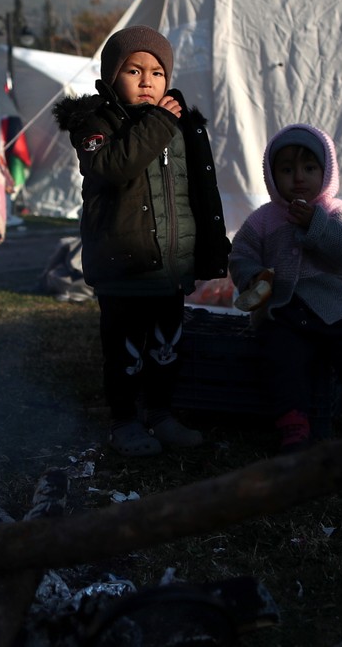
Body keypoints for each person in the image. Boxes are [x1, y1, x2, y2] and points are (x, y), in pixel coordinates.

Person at [53, 26, 230, 457]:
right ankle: (124, 420)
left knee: (167, 347)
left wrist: (206, 249)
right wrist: (161, 122)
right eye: (134, 70)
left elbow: (199, 190)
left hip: (169, 266)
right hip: (122, 266)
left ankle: (161, 414)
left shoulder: (179, 125)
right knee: (125, 350)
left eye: (156, 71)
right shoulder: (96, 124)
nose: (147, 80)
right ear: (113, 76)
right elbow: (114, 167)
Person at [228, 123, 342, 460]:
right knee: (281, 355)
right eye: (287, 169)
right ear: (271, 175)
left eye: (309, 168)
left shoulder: (338, 212)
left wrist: (315, 225)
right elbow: (240, 254)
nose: (298, 178)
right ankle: (294, 423)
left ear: (327, 171)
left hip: (338, 307)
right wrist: (252, 276)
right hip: (284, 309)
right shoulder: (264, 219)